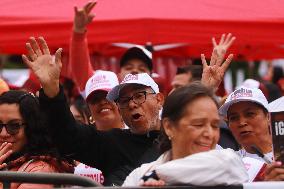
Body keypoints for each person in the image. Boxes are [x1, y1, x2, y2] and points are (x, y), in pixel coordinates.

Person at [21, 36, 233, 185]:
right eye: (123, 101)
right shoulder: (110, 143)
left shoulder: (181, 137)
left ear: (159, 99)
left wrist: (205, 90)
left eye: (139, 95)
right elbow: (66, 134)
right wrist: (52, 91)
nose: (131, 104)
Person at [123, 82, 248, 186]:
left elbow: (226, 164)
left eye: (215, 126)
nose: (209, 134)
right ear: (169, 127)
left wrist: (156, 174)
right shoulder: (138, 176)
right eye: (198, 124)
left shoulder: (229, 163)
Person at [0, 90, 74, 189]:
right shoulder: (6, 164)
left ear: (32, 128)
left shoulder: (41, 170)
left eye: (14, 126)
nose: (3, 133)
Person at [219, 86, 284, 181]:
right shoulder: (227, 162)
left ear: (268, 117)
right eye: (234, 118)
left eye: (249, 114)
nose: (242, 123)